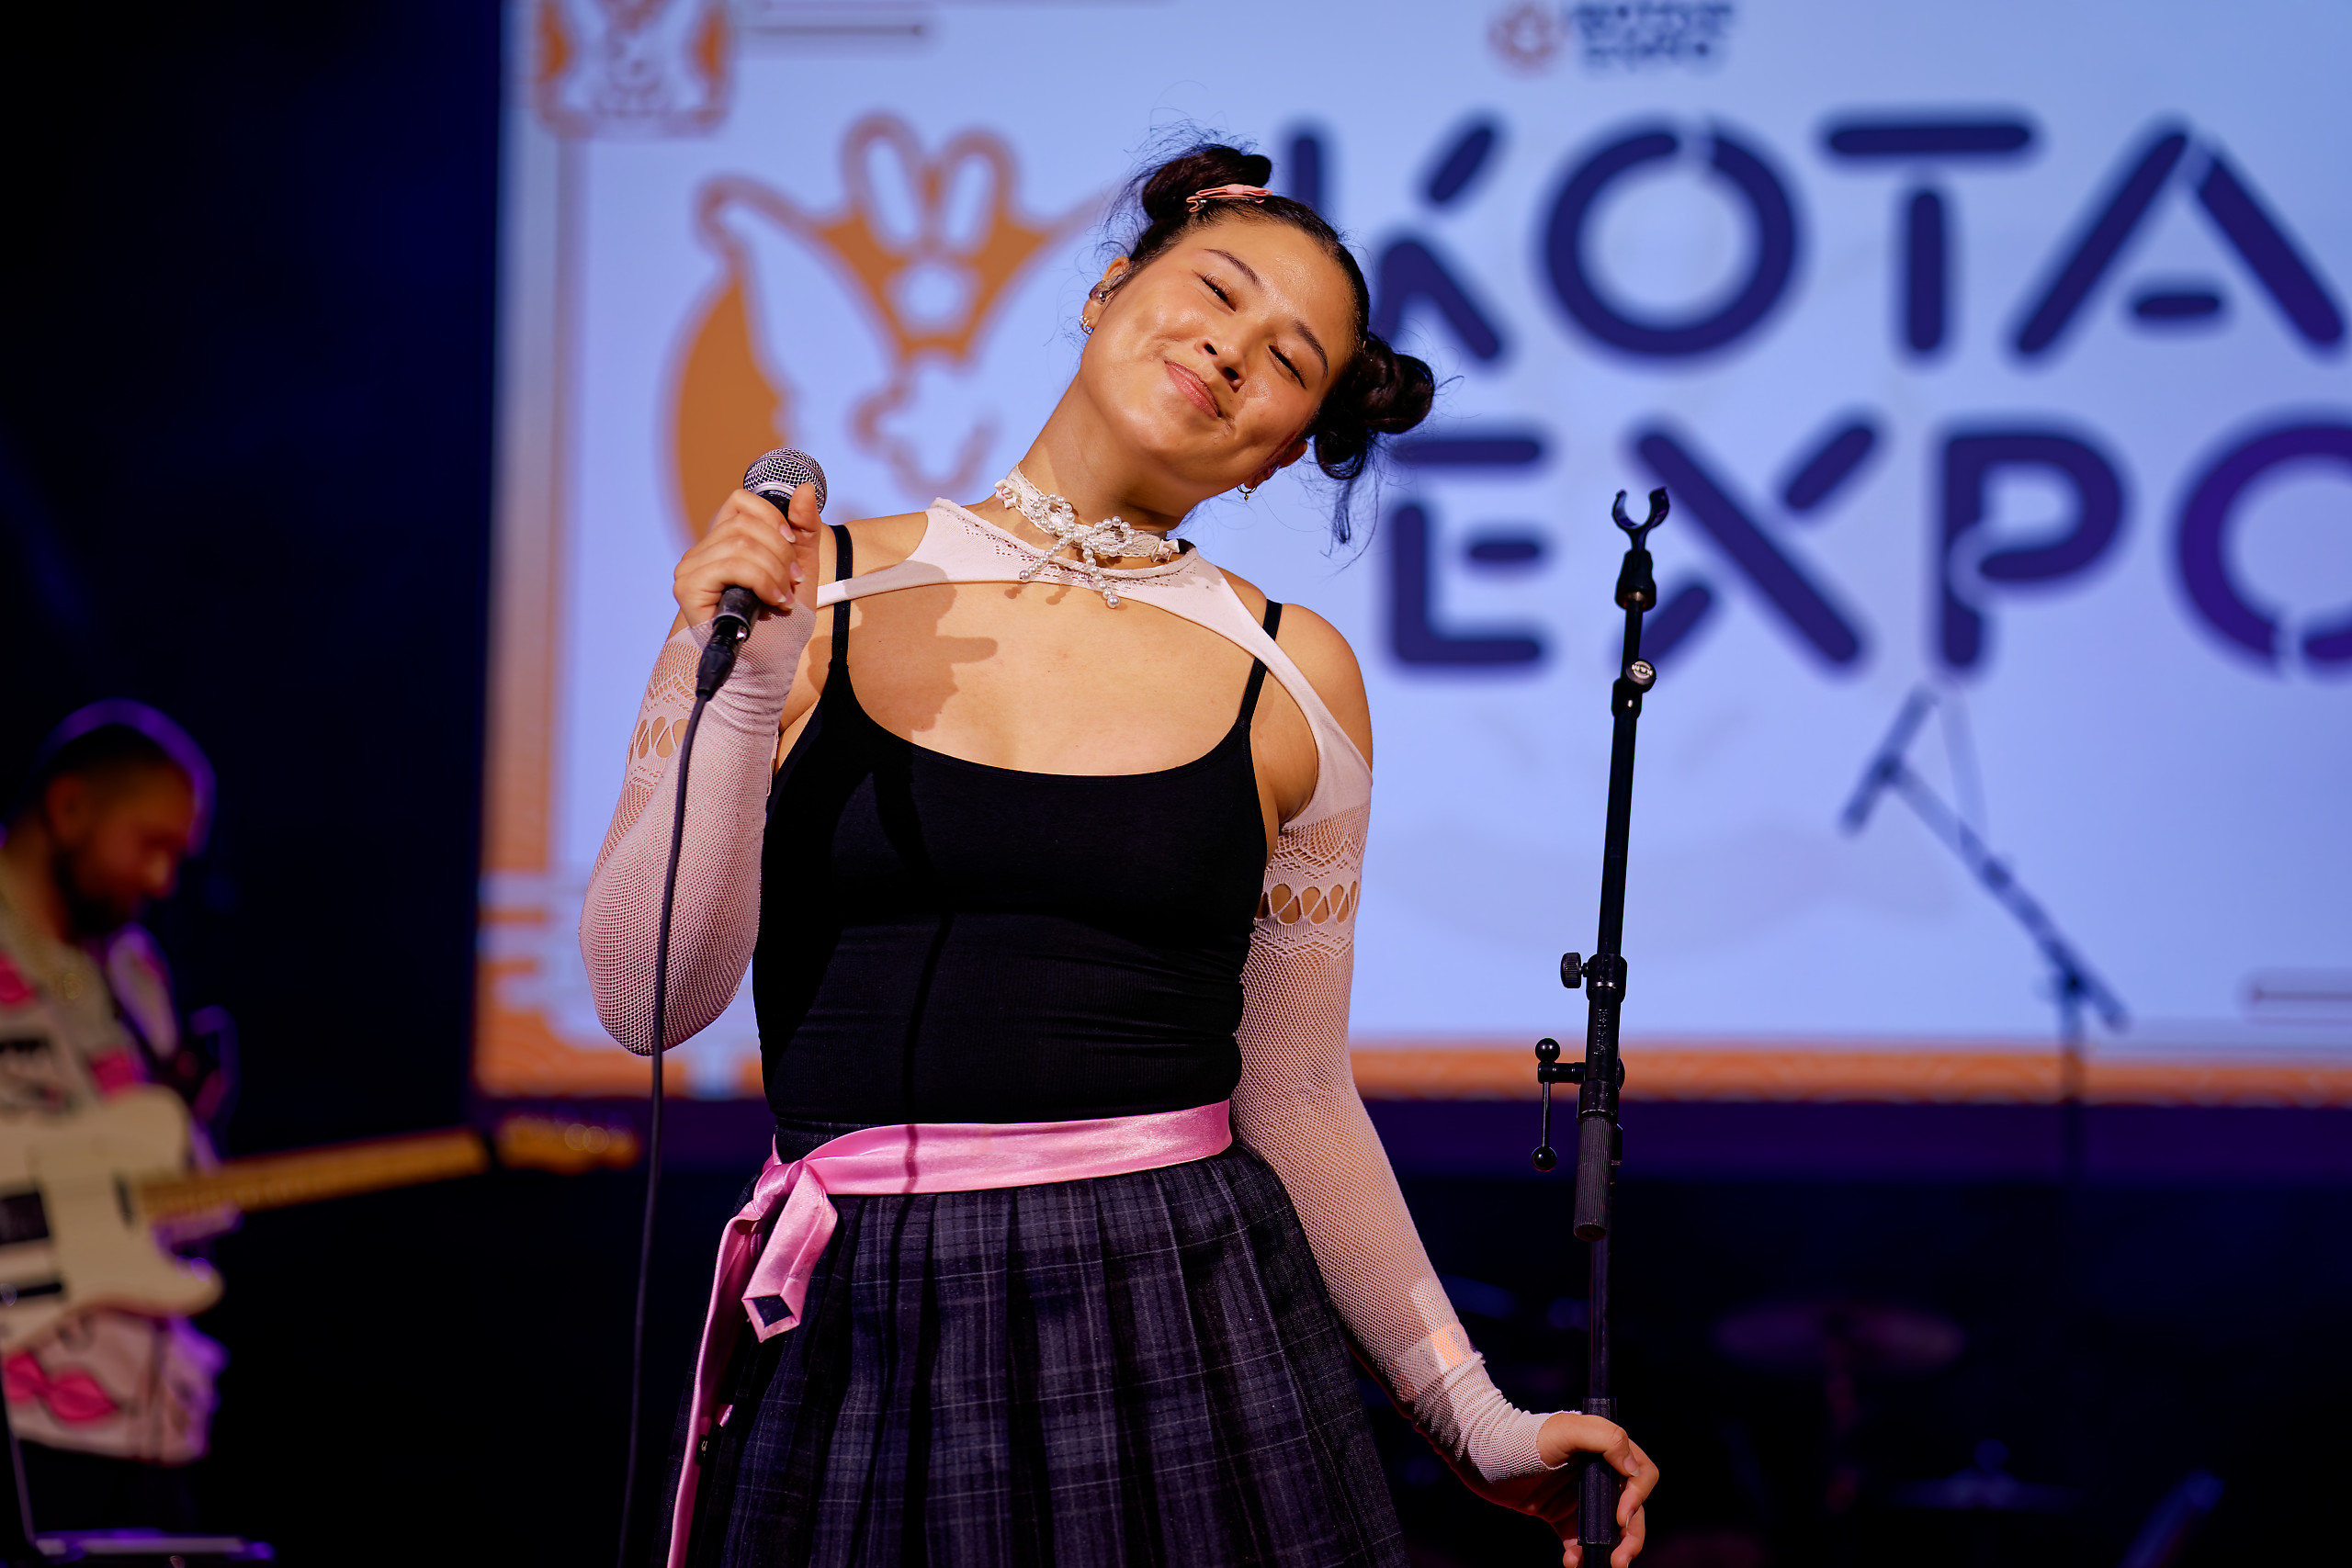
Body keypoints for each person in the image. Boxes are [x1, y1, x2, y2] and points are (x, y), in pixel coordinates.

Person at [583, 143, 1657, 1568]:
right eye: (1216, 290)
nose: (1233, 347)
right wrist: (741, 695)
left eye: (1290, 359)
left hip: (1181, 1308)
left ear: (1284, 447)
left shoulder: (1294, 673)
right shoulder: (802, 585)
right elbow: (647, 1001)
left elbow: (1297, 1091)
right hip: (862, 1324)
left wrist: (1478, 1420)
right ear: (1106, 291)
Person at [0, 702, 233, 1526]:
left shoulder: (134, 969)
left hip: (149, 1419)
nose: (163, 879)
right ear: (69, 808)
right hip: (24, 1418)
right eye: (150, 844)